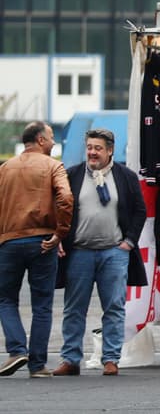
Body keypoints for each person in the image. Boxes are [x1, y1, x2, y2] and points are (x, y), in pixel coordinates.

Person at [53, 128, 147, 377]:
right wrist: (60, 237)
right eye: (90, 147)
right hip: (80, 253)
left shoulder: (125, 177)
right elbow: (58, 209)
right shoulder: (72, 175)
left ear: (110, 150)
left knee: (114, 307)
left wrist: (129, 241)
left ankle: (111, 358)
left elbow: (140, 210)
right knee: (74, 308)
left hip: (114, 253)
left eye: (98, 148)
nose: (92, 152)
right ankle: (71, 359)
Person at [0, 121, 73, 378]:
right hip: (43, 241)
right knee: (42, 304)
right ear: (41, 140)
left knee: (5, 299)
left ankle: (17, 348)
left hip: (8, 241)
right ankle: (38, 365)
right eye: (52, 137)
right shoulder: (53, 166)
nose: (54, 142)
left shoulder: (5, 168)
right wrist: (60, 233)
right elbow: (65, 198)